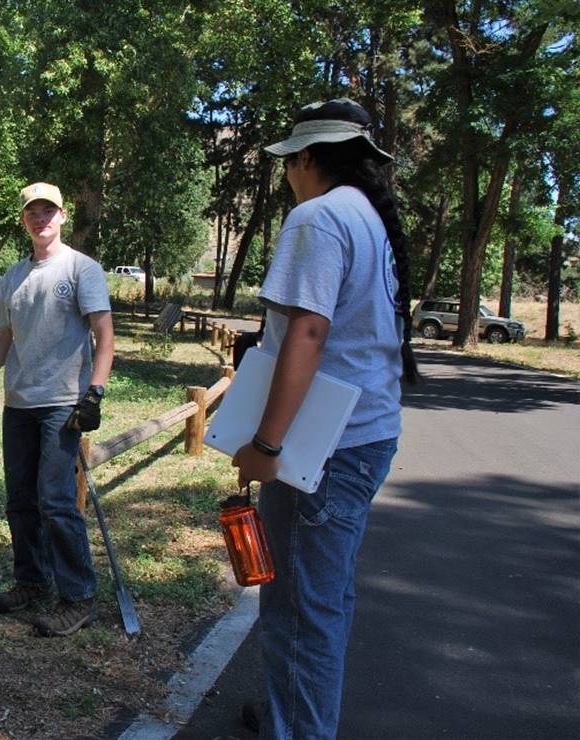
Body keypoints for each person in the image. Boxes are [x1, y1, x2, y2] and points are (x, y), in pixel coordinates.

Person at [232, 98, 420, 739]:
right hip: (365, 434)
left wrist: (265, 442)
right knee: (320, 599)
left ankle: (302, 729)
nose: (287, 173)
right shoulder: (368, 216)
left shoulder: (317, 217)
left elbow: (308, 333)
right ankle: (293, 715)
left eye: (290, 161)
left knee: (299, 608)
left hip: (322, 448)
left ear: (307, 158)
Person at [0, 181, 115, 637]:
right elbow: (3, 334)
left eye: (49, 211)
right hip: (20, 402)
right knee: (19, 500)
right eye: (33, 212)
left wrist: (94, 394)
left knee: (55, 501)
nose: (41, 219)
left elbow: (105, 337)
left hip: (62, 405)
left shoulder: (82, 269)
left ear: (63, 215)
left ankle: (78, 597)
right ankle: (32, 582)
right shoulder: (14, 276)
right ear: (24, 219)